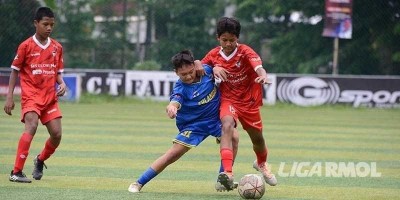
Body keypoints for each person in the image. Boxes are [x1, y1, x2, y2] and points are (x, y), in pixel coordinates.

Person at [128, 50, 238, 193]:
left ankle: (223, 178)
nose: (188, 76)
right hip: (193, 126)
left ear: (194, 66)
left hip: (214, 120)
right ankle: (138, 183)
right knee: (172, 155)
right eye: (183, 74)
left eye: (190, 72)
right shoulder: (180, 87)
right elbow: (175, 100)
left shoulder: (206, 71)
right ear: (176, 73)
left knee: (234, 136)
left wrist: (212, 66)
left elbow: (214, 60)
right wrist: (172, 107)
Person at [195, 17, 277, 190]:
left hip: (249, 102)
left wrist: (263, 74)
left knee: (258, 139)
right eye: (224, 40)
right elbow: (199, 66)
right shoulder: (214, 54)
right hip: (228, 99)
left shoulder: (245, 51)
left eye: (232, 40)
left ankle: (261, 163)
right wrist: (213, 67)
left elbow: (258, 66)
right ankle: (228, 173)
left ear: (237, 38)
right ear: (218, 38)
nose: (228, 44)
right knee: (227, 126)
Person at [3, 7, 66, 183]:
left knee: (57, 134)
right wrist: (10, 97)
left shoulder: (57, 47)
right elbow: (15, 71)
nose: (49, 28)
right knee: (31, 125)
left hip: (50, 98)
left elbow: (57, 72)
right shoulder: (26, 46)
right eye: (45, 24)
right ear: (36, 23)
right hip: (31, 95)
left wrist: (62, 83)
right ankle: (16, 172)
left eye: (52, 25)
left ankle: (40, 160)